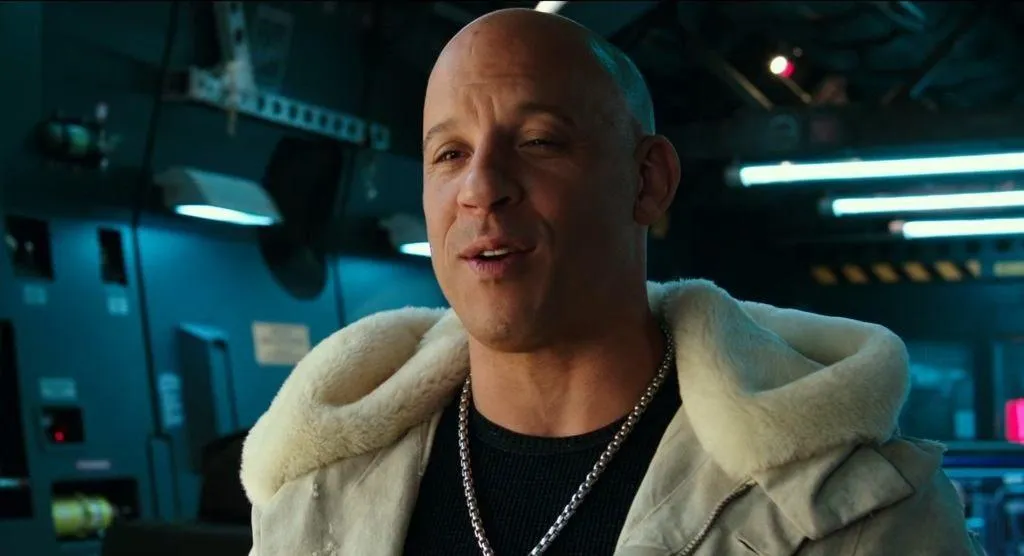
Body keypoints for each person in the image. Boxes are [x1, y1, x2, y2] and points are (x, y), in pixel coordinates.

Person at [240, 8, 985, 556]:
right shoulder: (314, 500)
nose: (481, 188)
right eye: (449, 154)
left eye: (538, 141)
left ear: (648, 180)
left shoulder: (858, 513)